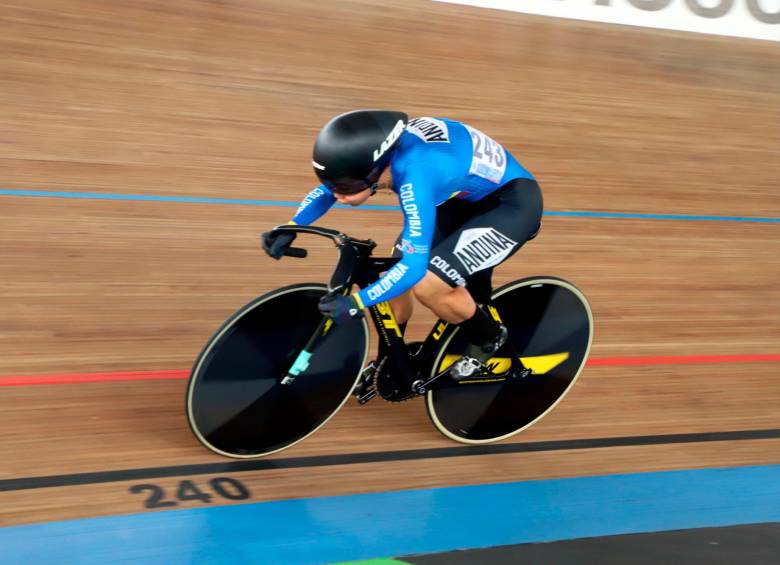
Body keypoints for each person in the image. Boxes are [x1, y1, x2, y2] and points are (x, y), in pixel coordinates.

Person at [262, 110, 542, 382]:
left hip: (511, 205)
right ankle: (391, 360)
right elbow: (330, 188)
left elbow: (413, 268)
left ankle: (489, 338)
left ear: (373, 171)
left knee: (429, 284)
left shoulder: (415, 176)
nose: (336, 194)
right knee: (393, 274)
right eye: (333, 183)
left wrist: (356, 303)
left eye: (344, 187)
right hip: (460, 196)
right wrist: (290, 226)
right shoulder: (378, 156)